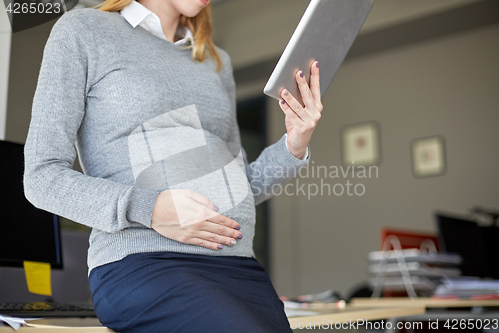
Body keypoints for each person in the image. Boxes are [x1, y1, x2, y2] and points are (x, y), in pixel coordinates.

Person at [23, 0, 323, 331]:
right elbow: (42, 177)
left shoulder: (215, 61)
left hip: (239, 269)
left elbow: (240, 185)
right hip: (146, 264)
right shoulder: (83, 30)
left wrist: (293, 144)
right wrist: (151, 208)